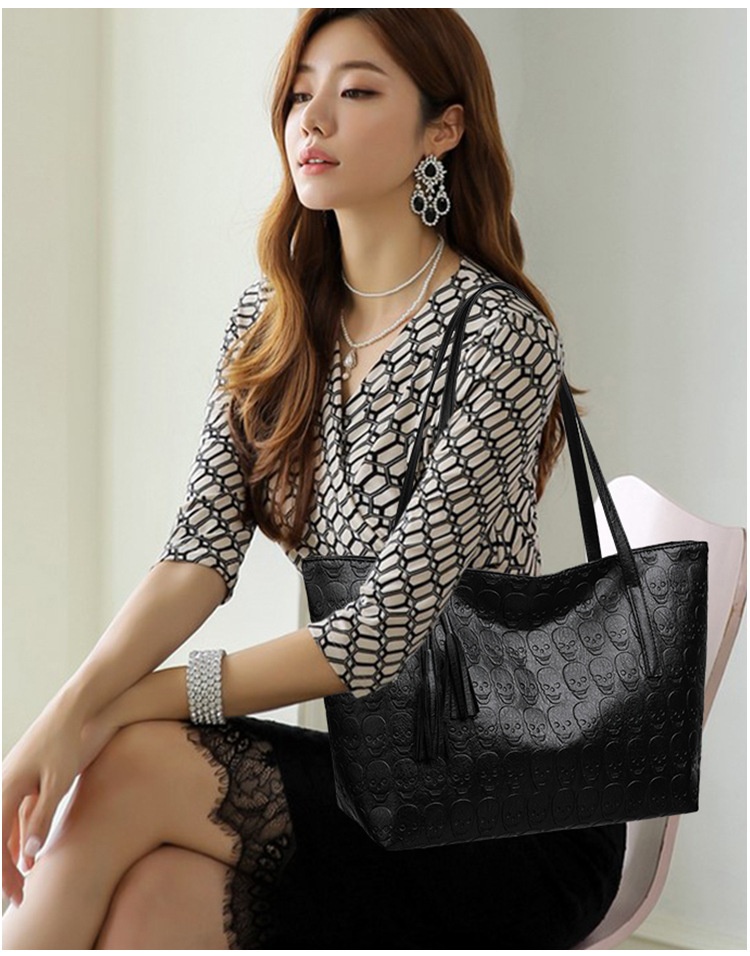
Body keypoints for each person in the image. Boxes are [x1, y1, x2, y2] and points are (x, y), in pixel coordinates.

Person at [2, 9, 626, 949]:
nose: (313, 119)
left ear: (443, 129)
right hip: (370, 782)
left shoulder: (501, 335)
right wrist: (68, 708)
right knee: (156, 895)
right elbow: (195, 560)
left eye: (357, 91)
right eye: (300, 95)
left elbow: (373, 640)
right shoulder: (274, 323)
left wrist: (113, 710)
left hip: (510, 809)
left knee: (130, 762)